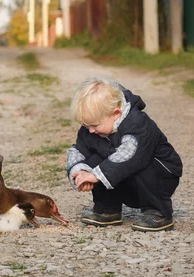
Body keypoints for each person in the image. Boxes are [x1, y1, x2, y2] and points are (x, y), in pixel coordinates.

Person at [66, 77, 183, 231]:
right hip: (126, 182)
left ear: (115, 113)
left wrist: (97, 175)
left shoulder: (138, 123)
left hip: (161, 178)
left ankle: (159, 212)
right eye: (86, 125)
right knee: (94, 159)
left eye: (94, 125)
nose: (91, 131)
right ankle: (107, 209)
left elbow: (130, 155)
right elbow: (78, 150)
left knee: (142, 163)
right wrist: (80, 171)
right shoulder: (91, 129)